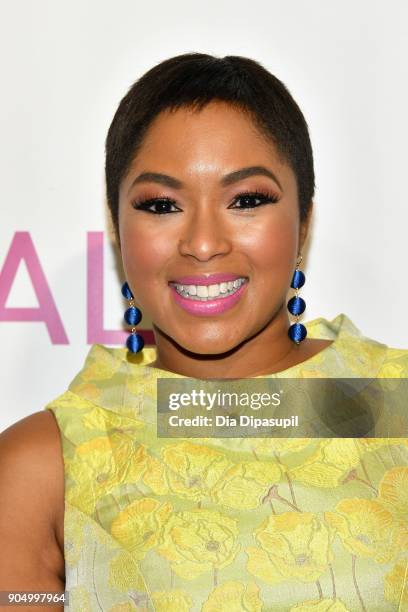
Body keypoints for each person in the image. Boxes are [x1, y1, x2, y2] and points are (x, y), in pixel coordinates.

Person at [0, 52, 407, 611]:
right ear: (118, 230)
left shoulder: (394, 400)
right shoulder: (46, 463)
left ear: (305, 220)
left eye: (246, 200)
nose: (204, 242)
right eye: (163, 204)